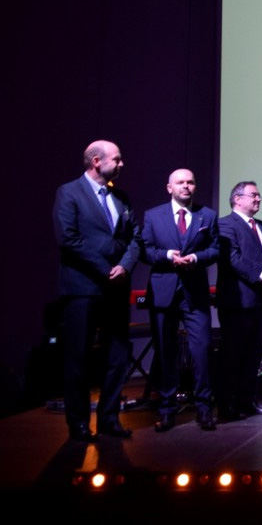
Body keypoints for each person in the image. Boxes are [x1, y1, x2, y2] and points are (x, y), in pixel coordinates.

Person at [53, 140, 141, 442]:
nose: (121, 164)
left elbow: (135, 238)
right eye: (116, 159)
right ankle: (78, 424)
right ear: (96, 161)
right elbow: (68, 239)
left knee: (117, 356)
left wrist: (125, 266)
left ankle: (109, 419)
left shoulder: (121, 197)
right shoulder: (69, 193)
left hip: (116, 288)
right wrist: (106, 269)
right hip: (83, 288)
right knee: (78, 357)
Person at [141, 168, 219, 432]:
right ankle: (166, 409)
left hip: (194, 292)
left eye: (190, 182)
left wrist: (196, 258)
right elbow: (145, 250)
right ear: (169, 188)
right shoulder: (153, 215)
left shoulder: (207, 215)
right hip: (163, 291)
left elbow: (215, 249)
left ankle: (204, 408)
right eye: (180, 182)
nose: (186, 186)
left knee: (202, 349)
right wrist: (166, 256)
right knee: (166, 351)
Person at [216, 181, 262, 421]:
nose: (258, 199)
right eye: (253, 195)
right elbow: (232, 258)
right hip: (237, 301)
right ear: (237, 199)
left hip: (261, 300)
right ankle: (227, 405)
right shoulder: (225, 224)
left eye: (259, 195)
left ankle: (248, 400)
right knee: (233, 355)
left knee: (254, 354)